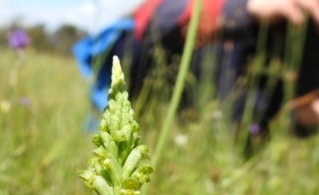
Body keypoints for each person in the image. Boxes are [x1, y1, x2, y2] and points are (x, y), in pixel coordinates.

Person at [73, 0, 319, 136]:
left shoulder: (299, 45)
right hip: (135, 71)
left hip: (197, 124)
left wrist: (302, 117)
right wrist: (246, 10)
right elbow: (156, 22)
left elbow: (279, 117)